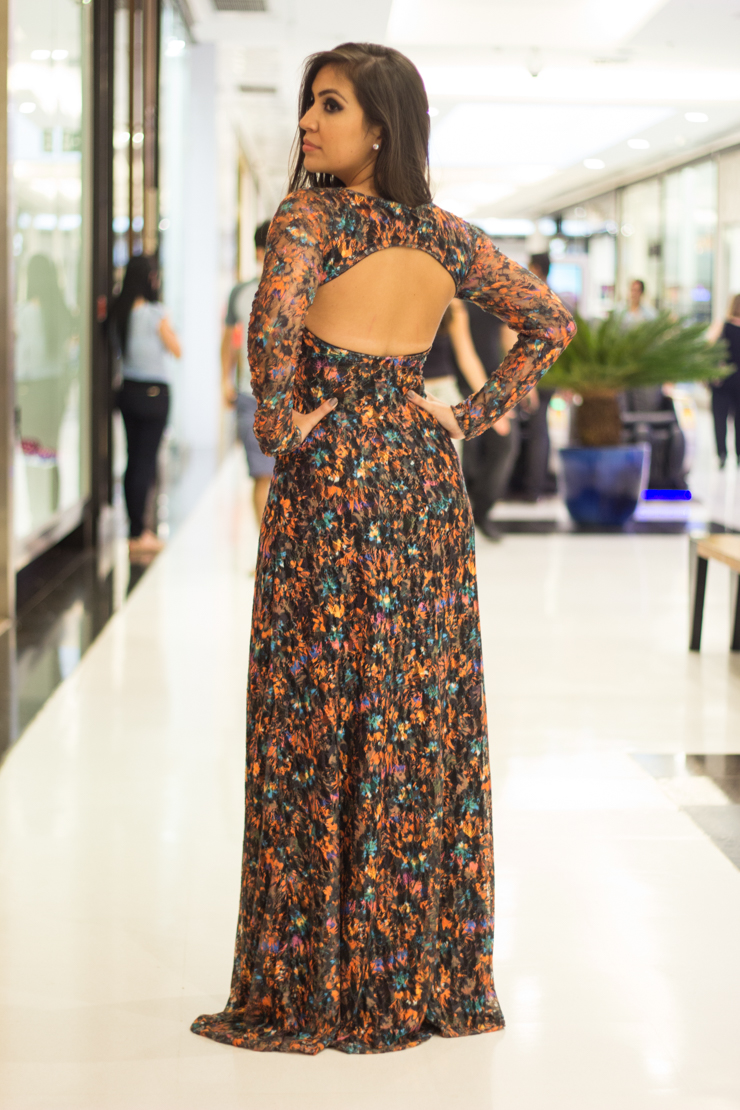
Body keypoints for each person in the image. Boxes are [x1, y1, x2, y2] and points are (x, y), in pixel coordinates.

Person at [191, 42, 574, 1055]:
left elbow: (272, 332)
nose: (307, 123)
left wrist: (281, 423)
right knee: (413, 714)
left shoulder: (307, 220)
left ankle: (309, 978)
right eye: (309, 105)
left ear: (380, 127)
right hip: (420, 479)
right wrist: (468, 415)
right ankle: (409, 970)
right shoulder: (446, 236)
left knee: (312, 717)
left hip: (332, 483)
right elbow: (548, 322)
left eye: (329, 105)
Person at [112, 255, 181, 557]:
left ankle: (134, 529)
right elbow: (177, 349)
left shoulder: (119, 312)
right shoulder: (155, 313)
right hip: (154, 394)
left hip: (127, 392)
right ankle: (140, 533)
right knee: (146, 461)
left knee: (132, 460)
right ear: (150, 278)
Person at [221, 221, 275, 525]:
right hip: (250, 396)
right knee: (262, 475)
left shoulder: (305, 292)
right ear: (259, 252)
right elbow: (228, 341)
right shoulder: (241, 293)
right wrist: (224, 381)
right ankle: (266, 546)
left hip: (293, 398)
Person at [461, 302, 519, 540]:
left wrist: (512, 386)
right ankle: (464, 516)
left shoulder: (492, 292)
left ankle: (481, 511)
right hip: (459, 382)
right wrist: (489, 404)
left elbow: (508, 337)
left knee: (504, 445)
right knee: (464, 455)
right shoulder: (455, 301)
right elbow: (465, 353)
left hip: (490, 380)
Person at [505, 252, 554, 500]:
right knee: (540, 428)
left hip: (534, 373)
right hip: (549, 374)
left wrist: (527, 380)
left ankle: (531, 486)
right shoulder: (555, 298)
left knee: (535, 430)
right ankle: (534, 484)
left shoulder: (533, 297)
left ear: (537, 268)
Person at [710, 293, 740, 468]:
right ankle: (738, 454)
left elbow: (708, 344)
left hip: (722, 379)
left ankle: (722, 453)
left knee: (720, 419)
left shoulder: (723, 325)